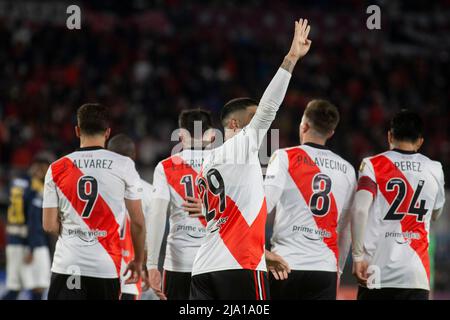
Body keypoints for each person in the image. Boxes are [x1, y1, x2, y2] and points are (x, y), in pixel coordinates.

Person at [189, 18, 312, 300]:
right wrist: (291, 57)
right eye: (252, 119)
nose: (259, 124)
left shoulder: (207, 163)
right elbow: (270, 108)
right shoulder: (242, 145)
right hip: (240, 267)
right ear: (234, 125)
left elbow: (230, 223)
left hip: (204, 269)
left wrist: (264, 253)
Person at [42, 103, 146, 300]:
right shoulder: (124, 165)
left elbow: (48, 225)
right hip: (105, 266)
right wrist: (138, 260)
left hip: (68, 264)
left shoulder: (56, 168)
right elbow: (138, 223)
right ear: (107, 132)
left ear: (77, 130)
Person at [264, 100, 355, 300]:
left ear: (304, 126)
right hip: (324, 268)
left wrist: (260, 251)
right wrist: (337, 270)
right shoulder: (347, 169)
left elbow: (263, 206)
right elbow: (346, 228)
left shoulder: (284, 157)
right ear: (331, 133)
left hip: (285, 264)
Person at [351, 109, 446, 300]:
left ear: (390, 136)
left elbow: (360, 210)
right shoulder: (435, 168)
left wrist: (357, 256)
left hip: (377, 270)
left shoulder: (372, 164)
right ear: (420, 141)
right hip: (416, 273)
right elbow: (435, 214)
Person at [146, 109, 214, 300]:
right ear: (212, 135)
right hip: (217, 260)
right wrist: (209, 208)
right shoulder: (226, 163)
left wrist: (152, 265)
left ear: (181, 135)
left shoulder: (166, 167)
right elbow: (242, 210)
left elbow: (157, 216)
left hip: (178, 262)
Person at [107, 134, 153, 300]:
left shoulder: (100, 188)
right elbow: (147, 235)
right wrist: (143, 265)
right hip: (130, 270)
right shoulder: (149, 192)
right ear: (134, 156)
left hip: (100, 267)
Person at [2, 152, 54, 300]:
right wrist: (31, 248)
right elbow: (33, 220)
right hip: (32, 244)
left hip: (14, 240)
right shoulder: (36, 187)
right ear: (41, 167)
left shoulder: (17, 182)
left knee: (15, 289)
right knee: (37, 288)